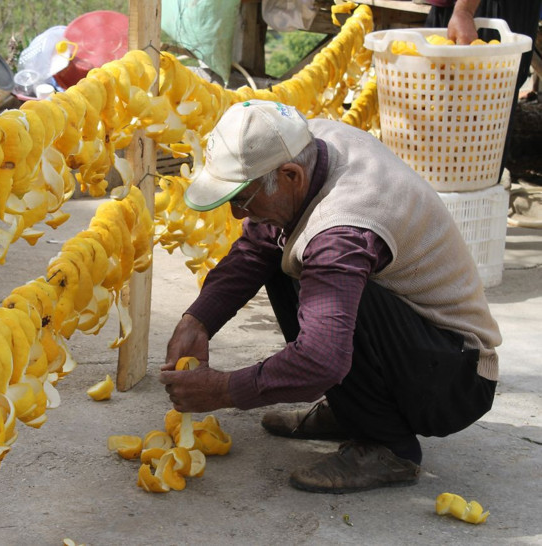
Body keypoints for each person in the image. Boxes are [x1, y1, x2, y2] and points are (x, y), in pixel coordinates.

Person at [159, 100, 502, 494]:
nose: (238, 214)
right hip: (423, 351)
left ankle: (389, 446)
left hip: (455, 377)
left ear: (290, 175)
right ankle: (353, 410)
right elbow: (258, 247)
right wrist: (197, 320)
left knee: (320, 292)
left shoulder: (342, 231)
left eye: (244, 198)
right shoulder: (306, 143)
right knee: (286, 256)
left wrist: (221, 390)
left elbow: (322, 358)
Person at [425, 0, 542, 183]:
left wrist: (464, 10)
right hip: (455, 8)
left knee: (480, 115)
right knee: (441, 113)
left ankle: (468, 195)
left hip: (482, 9)